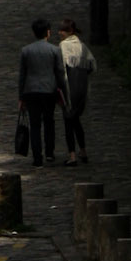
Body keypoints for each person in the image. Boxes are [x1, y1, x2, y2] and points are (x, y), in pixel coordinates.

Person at [18, 16, 69, 167]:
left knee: (34, 125)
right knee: (49, 121)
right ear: (48, 32)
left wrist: (21, 97)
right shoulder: (54, 50)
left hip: (31, 91)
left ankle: (37, 157)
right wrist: (64, 93)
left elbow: (22, 75)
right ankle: (49, 153)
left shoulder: (26, 51)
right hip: (49, 90)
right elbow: (60, 73)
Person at [58, 17, 96, 165]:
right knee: (76, 121)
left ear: (70, 31)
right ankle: (83, 151)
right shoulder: (82, 46)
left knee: (68, 120)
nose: (60, 32)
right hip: (82, 88)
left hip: (69, 88)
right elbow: (92, 65)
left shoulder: (63, 46)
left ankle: (72, 155)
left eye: (63, 30)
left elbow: (60, 67)